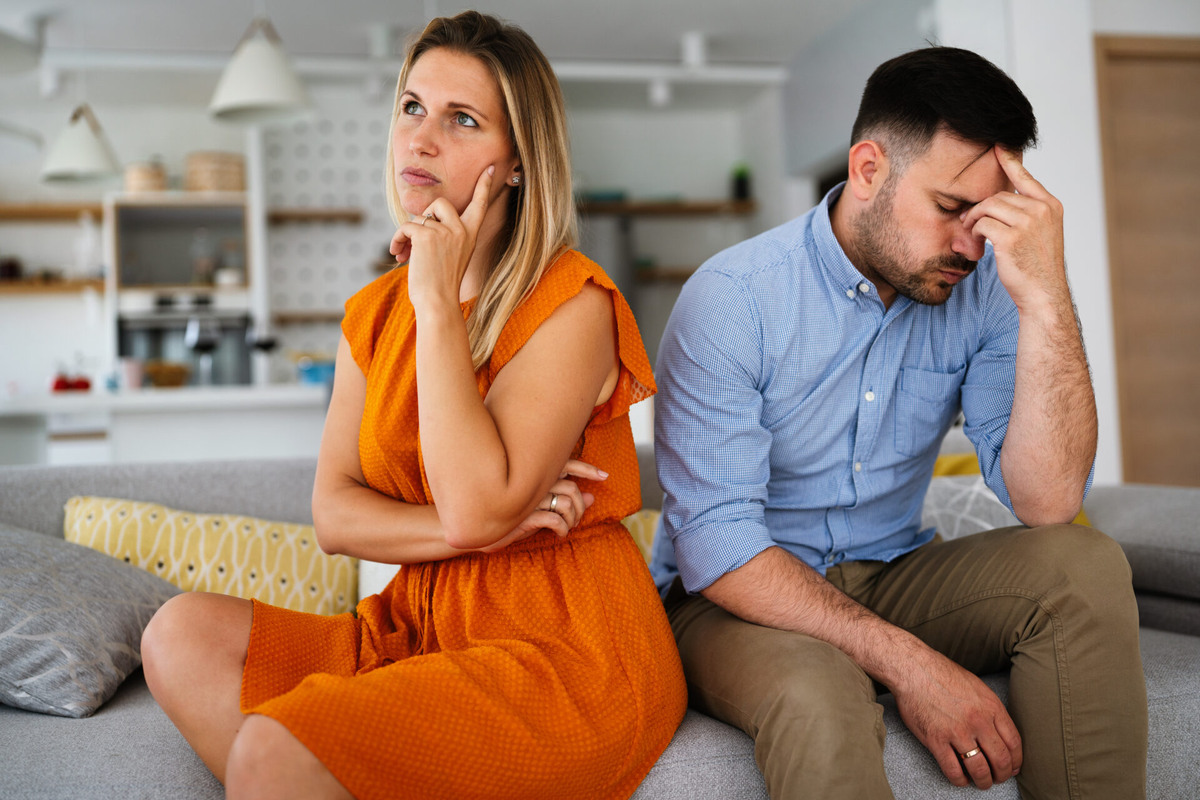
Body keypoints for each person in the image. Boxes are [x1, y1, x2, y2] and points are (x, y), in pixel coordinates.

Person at [142, 11, 686, 799]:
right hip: (419, 623)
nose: (421, 140)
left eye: (462, 120)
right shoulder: (370, 314)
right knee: (179, 633)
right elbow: (335, 516)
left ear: (518, 162)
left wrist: (434, 300)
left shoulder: (572, 303)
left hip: (563, 646)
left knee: (271, 750)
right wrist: (492, 526)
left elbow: (473, 506)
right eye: (412, 107)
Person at [649, 46, 1147, 800]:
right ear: (868, 169)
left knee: (1084, 565)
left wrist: (1046, 293)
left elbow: (1048, 501)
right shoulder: (733, 299)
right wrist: (912, 664)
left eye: (988, 219)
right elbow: (717, 545)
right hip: (737, 601)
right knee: (817, 688)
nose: (971, 247)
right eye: (950, 209)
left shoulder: (986, 287)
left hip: (892, 571)